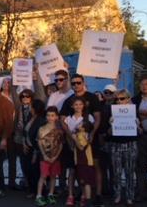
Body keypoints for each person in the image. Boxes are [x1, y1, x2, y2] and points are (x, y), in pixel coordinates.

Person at [60, 75, 103, 207]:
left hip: (90, 142)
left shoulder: (92, 97)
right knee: (74, 169)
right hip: (73, 142)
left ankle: (97, 195)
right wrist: (70, 138)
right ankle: (74, 195)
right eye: (73, 83)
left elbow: (97, 118)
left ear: (83, 83)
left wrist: (92, 134)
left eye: (78, 82)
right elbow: (63, 120)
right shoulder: (68, 100)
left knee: (94, 167)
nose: (76, 85)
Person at [106, 89, 139, 206]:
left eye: (122, 98)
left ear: (128, 98)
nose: (119, 101)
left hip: (131, 144)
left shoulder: (134, 111)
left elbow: (140, 132)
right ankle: (117, 195)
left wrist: (138, 125)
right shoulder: (111, 111)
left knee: (130, 171)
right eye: (117, 99)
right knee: (116, 172)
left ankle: (130, 196)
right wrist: (111, 125)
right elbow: (108, 133)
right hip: (116, 144)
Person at [63, 97, 95, 207]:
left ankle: (83, 196)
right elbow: (67, 133)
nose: (78, 106)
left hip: (83, 149)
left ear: (83, 105)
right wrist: (71, 143)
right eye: (75, 104)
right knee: (72, 172)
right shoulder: (68, 118)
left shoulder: (88, 117)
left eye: (80, 104)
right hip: (71, 148)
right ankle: (70, 195)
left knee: (83, 174)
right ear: (72, 106)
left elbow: (90, 133)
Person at [35, 106, 63, 207]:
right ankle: (39, 195)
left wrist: (56, 156)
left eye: (52, 115)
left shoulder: (59, 130)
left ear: (56, 117)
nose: (50, 117)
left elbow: (60, 144)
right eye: (48, 115)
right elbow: (39, 142)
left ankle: (51, 194)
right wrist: (44, 155)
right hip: (44, 157)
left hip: (56, 156)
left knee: (53, 176)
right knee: (43, 176)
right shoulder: (41, 129)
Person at [21, 99, 46, 199]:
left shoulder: (41, 120)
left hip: (36, 149)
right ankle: (31, 190)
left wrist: (36, 152)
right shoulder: (30, 117)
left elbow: (39, 138)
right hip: (27, 147)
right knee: (28, 170)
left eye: (31, 106)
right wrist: (24, 143)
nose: (30, 108)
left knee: (36, 171)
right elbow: (25, 131)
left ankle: (39, 192)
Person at [15, 89, 35, 195]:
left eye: (27, 96)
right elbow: (19, 123)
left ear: (31, 97)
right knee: (23, 163)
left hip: (31, 140)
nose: (25, 98)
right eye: (23, 96)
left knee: (32, 163)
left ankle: (33, 186)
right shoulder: (19, 108)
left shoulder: (34, 109)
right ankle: (27, 183)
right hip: (20, 139)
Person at [73, 120, 96, 207]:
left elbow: (81, 147)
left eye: (80, 124)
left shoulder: (81, 135)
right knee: (84, 181)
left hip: (83, 161)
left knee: (86, 182)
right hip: (84, 161)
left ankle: (88, 201)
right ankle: (85, 198)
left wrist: (75, 139)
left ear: (83, 128)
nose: (78, 124)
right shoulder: (86, 135)